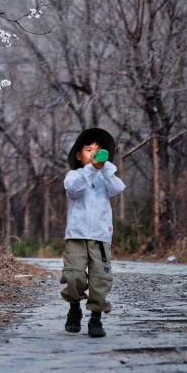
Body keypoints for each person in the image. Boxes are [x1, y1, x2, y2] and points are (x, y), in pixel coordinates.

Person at [61, 127, 125, 338]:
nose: (94, 153)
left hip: (100, 236)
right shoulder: (74, 175)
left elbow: (117, 189)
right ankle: (74, 308)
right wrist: (91, 170)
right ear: (79, 155)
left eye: (99, 150)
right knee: (74, 275)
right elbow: (74, 190)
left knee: (100, 278)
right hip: (76, 236)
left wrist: (105, 168)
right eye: (89, 150)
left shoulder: (107, 177)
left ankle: (96, 318)